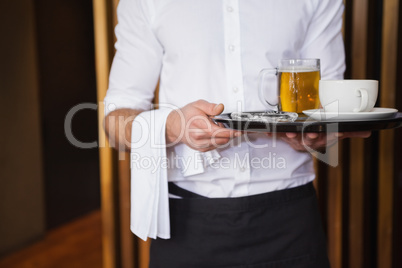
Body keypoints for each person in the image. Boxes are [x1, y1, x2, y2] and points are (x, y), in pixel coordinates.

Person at [104, 0, 370, 267]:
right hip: (186, 224)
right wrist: (172, 125)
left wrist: (315, 136)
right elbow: (115, 125)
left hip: (290, 222)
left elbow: (325, 109)